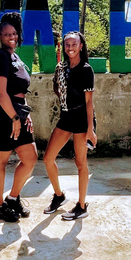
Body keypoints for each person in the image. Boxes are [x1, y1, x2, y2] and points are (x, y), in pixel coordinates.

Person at [0, 12, 38, 222]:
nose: (11, 37)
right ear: (0, 36)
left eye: (14, 33)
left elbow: (19, 91)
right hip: (0, 113)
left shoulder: (16, 57)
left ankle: (13, 198)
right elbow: (0, 92)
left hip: (17, 111)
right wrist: (15, 118)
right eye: (6, 34)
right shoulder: (0, 57)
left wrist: (24, 114)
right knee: (0, 161)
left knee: (30, 158)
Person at [43, 31, 96, 220]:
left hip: (82, 118)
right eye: (67, 45)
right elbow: (59, 91)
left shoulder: (86, 69)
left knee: (81, 163)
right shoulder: (62, 68)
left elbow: (89, 102)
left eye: (74, 44)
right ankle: (59, 195)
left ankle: (82, 205)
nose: (70, 48)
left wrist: (90, 129)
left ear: (81, 45)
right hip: (66, 117)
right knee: (48, 158)